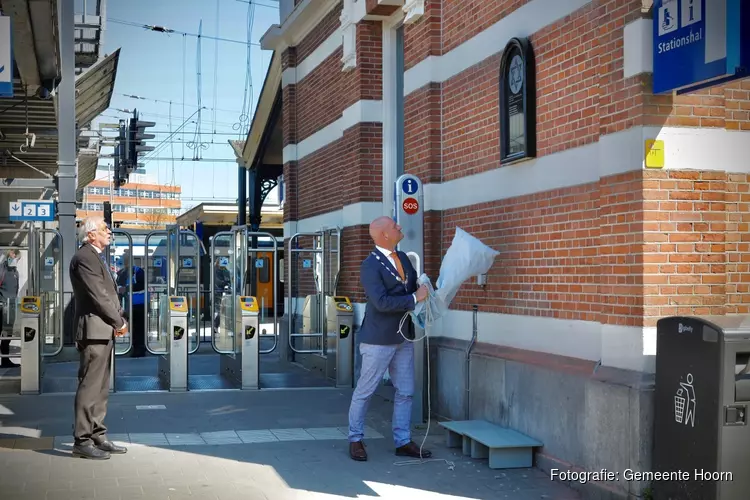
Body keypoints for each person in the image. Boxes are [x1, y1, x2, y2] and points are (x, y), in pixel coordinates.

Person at [347, 216, 431, 461]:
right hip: (378, 339)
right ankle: (355, 439)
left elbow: (413, 287)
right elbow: (382, 302)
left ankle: (402, 441)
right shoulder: (369, 266)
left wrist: (423, 287)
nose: (400, 227)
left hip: (404, 336)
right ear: (384, 234)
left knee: (405, 391)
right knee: (366, 390)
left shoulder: (403, 257)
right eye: (395, 226)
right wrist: (416, 298)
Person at [70, 216, 128, 460]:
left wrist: (117, 318)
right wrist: (119, 321)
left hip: (102, 331)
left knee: (101, 387)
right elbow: (98, 295)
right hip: (94, 331)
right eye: (105, 229)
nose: (109, 232)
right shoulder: (85, 258)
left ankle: (97, 435)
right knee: (90, 385)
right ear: (91, 234)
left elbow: (107, 293)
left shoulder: (96, 257)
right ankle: (82, 440)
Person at [116, 249, 146, 357]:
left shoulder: (137, 271)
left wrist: (126, 288)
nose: (126, 261)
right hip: (130, 304)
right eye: (125, 259)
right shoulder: (123, 272)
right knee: (134, 327)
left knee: (138, 327)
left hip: (138, 304)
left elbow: (142, 285)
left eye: (127, 259)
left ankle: (139, 348)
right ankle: (136, 347)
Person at [0, 250, 21, 369]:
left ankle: (5, 360)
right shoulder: (2, 270)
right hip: (2, 306)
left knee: (7, 334)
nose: (15, 261)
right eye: (13, 258)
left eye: (17, 259)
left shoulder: (15, 272)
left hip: (11, 306)